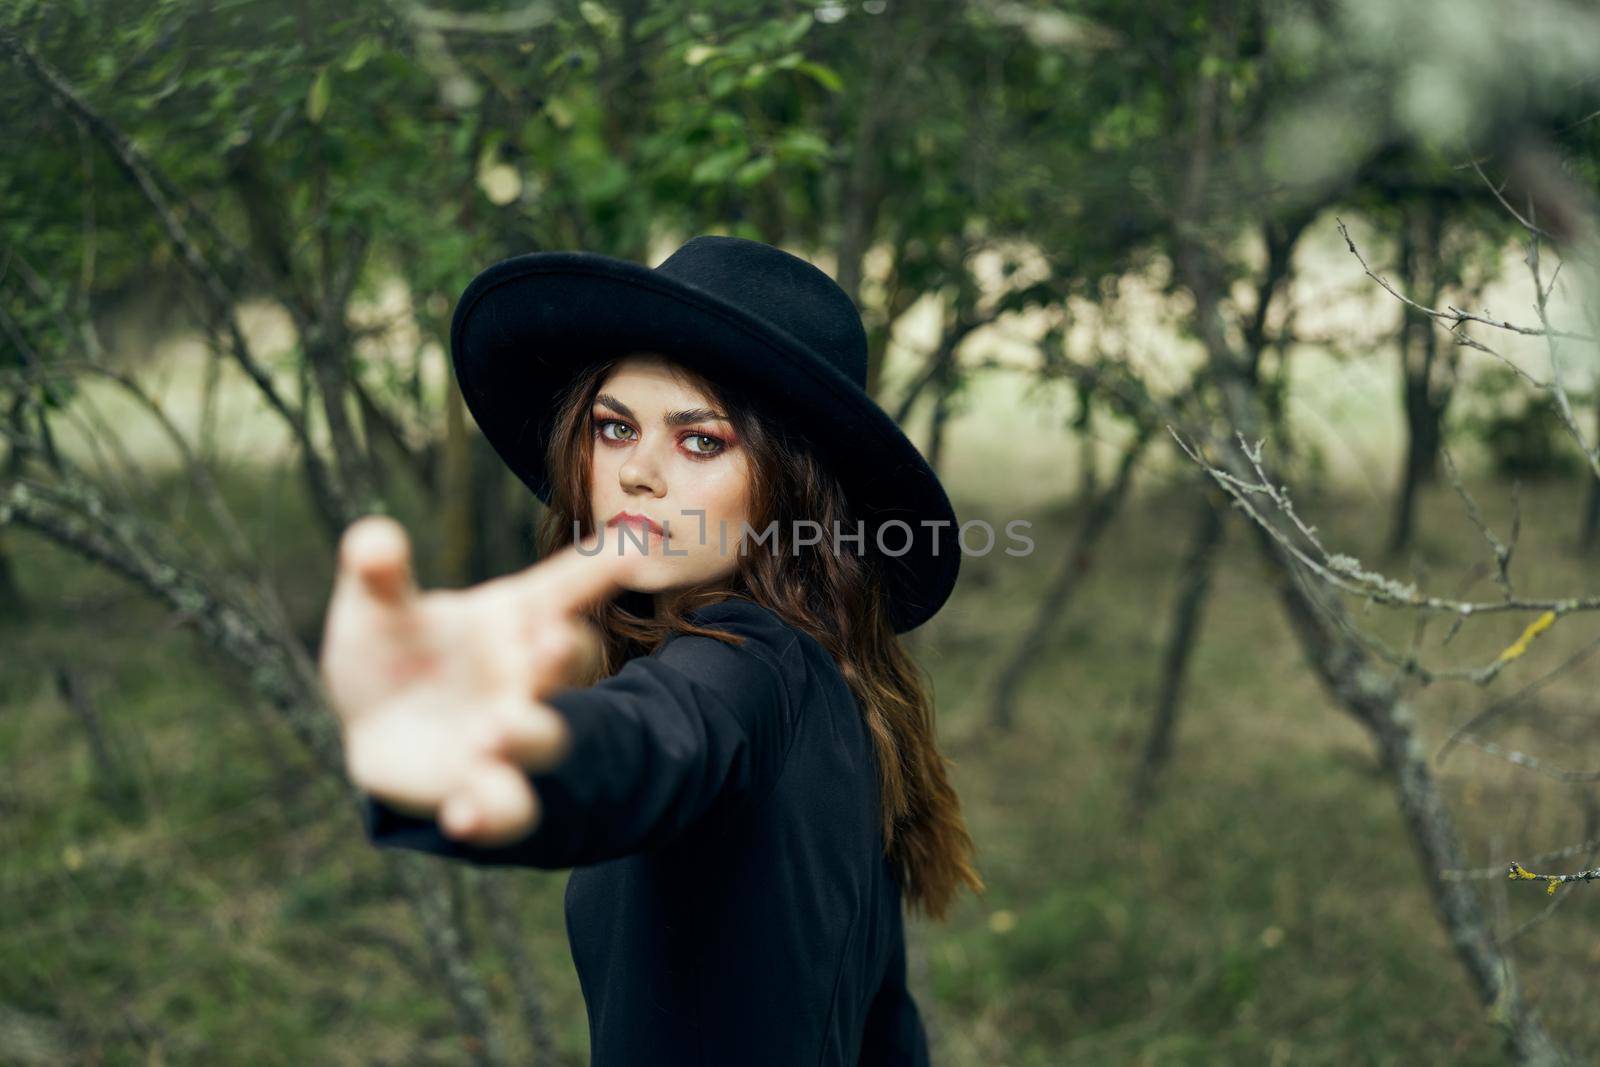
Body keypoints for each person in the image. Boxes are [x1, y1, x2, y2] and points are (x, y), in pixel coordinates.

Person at [318, 235, 984, 1066]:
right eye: (614, 425)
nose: (638, 471)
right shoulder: (843, 683)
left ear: (793, 484)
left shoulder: (749, 665)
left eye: (701, 439)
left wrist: (502, 748)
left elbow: (658, 736)